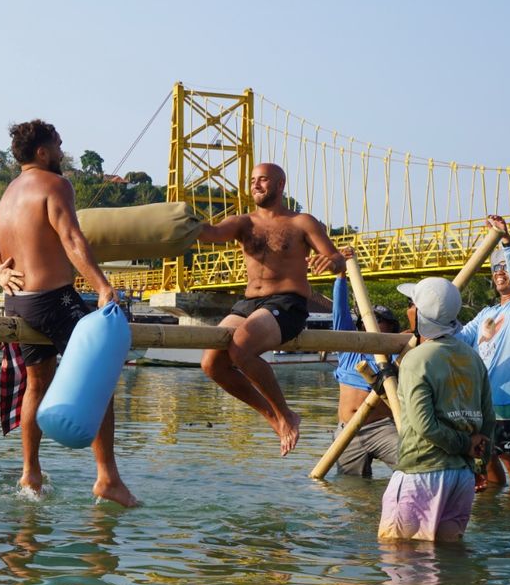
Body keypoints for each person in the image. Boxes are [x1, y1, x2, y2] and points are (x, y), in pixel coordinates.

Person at [0, 119, 136, 507]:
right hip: (52, 298)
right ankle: (107, 478)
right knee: (101, 375)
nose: (63, 151)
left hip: (18, 302)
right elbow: (71, 238)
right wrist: (102, 287)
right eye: (59, 144)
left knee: (37, 383)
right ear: (43, 152)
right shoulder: (56, 185)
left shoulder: (11, 192)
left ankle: (30, 473)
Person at [196, 162, 345, 456]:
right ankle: (273, 417)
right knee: (211, 364)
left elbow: (335, 257)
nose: (256, 185)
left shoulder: (302, 222)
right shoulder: (243, 223)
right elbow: (211, 233)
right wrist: (182, 222)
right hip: (249, 303)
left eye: (263, 180)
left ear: (280, 185)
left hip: (287, 303)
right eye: (252, 180)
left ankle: (285, 413)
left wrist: (333, 262)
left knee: (241, 348)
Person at [378, 277, 494, 542]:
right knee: (450, 561)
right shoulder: (473, 358)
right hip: (462, 479)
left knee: (399, 557)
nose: (408, 310)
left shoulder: (417, 359)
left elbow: (424, 425)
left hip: (421, 473)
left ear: (419, 314)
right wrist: (478, 464)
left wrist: (464, 445)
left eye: (411, 304)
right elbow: (488, 421)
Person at [456, 215, 510, 490]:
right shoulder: (486, 313)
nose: (500, 272)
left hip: (509, 397)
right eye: (495, 269)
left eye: (506, 267)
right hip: (481, 399)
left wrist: (506, 242)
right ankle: (493, 512)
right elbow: (459, 338)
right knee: (486, 457)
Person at [330, 248, 401, 476]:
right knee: (352, 492)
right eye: (369, 319)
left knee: (415, 468)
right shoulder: (351, 350)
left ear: (391, 328)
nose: (372, 323)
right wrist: (341, 276)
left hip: (382, 429)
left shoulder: (396, 355)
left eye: (380, 320)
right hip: (348, 431)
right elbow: (339, 313)